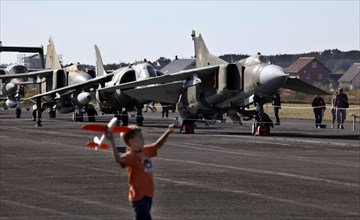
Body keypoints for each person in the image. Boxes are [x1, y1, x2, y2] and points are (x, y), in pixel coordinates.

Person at [106, 121, 176, 220]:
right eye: (139, 137)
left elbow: (157, 145)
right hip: (139, 197)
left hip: (148, 195)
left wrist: (168, 132)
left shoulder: (145, 151)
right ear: (131, 141)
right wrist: (112, 140)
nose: (143, 139)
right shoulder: (130, 156)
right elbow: (119, 159)